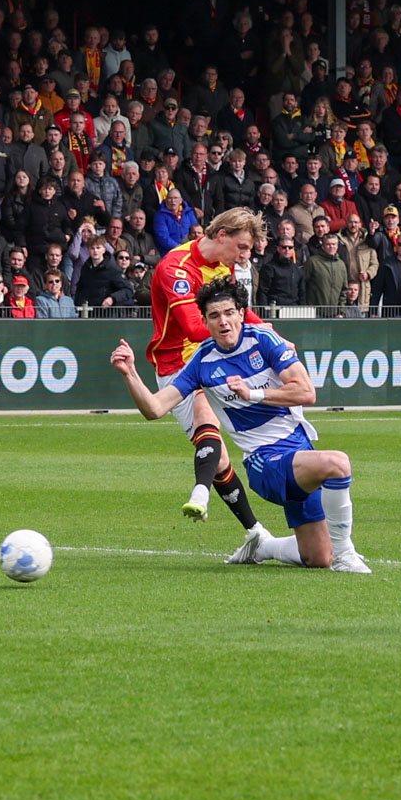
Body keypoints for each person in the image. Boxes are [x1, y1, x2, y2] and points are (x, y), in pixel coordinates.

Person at [110, 279, 371, 573]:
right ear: (206, 322)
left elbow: (306, 392)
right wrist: (130, 373)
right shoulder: (202, 362)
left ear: (241, 313)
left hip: (299, 449)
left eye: (229, 312)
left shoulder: (263, 340)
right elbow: (155, 409)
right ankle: (346, 554)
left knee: (317, 557)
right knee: (338, 463)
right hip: (264, 461)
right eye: (214, 316)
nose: (223, 322)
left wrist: (254, 393)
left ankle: (263, 545)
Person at [146, 207, 272, 544]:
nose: (245, 256)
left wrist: (268, 333)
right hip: (179, 364)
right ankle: (203, 497)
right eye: (242, 247)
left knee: (220, 458)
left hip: (216, 354)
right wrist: (253, 336)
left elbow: (236, 311)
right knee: (210, 431)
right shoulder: (176, 269)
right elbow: (193, 327)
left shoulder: (223, 265)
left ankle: (255, 535)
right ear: (221, 236)